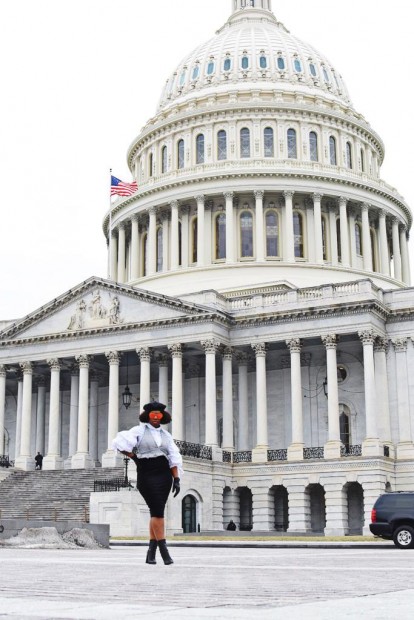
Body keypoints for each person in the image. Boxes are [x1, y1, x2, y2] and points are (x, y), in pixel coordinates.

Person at [112, 401, 182, 565]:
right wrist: (134, 457)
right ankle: (164, 551)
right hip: (146, 473)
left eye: (159, 414)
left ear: (163, 416)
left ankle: (151, 553)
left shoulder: (167, 436)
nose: (156, 416)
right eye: (153, 413)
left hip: (164, 474)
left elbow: (173, 458)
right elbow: (119, 443)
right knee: (157, 511)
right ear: (147, 415)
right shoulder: (139, 431)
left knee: (156, 511)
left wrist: (176, 479)